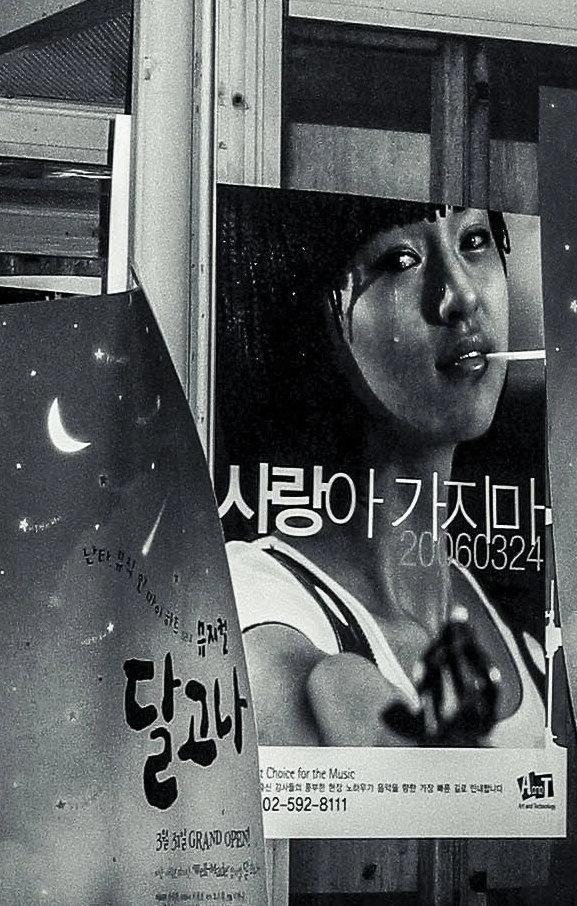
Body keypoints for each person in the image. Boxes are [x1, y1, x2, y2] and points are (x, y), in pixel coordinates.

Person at [217, 194, 546, 749]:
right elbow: (308, 684)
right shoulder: (258, 592)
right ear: (320, 313)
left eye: (474, 242)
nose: (460, 296)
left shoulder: (527, 639)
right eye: (399, 260)